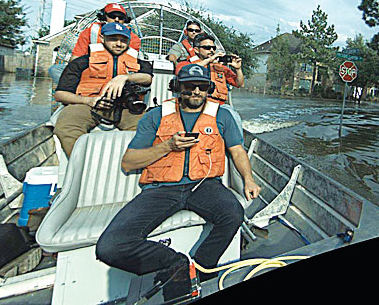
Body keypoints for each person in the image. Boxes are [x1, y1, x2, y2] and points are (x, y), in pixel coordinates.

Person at [95, 64, 260, 300]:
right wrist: (168, 146)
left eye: (201, 86)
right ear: (177, 87)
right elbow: (129, 162)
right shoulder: (155, 116)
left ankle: (202, 269)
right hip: (160, 189)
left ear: (209, 89)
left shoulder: (223, 115)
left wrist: (249, 180)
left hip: (205, 186)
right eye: (188, 86)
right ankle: (177, 265)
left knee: (233, 214)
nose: (195, 91)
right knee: (110, 247)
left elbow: (237, 151)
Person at [53, 22, 153, 156]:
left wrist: (124, 78)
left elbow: (147, 78)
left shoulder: (139, 63)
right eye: (113, 39)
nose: (119, 43)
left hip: (125, 108)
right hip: (89, 105)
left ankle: (127, 164)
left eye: (123, 40)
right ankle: (83, 165)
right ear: (102, 38)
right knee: (67, 127)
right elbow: (60, 94)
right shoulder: (82, 62)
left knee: (148, 130)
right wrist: (88, 101)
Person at [48, 3, 142, 84]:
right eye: (112, 16)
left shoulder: (133, 38)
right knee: (55, 69)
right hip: (91, 70)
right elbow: (75, 60)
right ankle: (76, 94)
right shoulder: (89, 32)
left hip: (117, 72)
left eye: (121, 17)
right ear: (104, 16)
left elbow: (130, 65)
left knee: (143, 77)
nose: (116, 19)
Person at [174, 33, 245, 133]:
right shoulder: (185, 64)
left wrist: (238, 69)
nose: (211, 50)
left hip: (219, 106)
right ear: (196, 50)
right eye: (207, 47)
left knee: (233, 115)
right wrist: (209, 60)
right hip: (194, 105)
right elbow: (184, 71)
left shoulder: (220, 68)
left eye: (213, 47)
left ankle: (237, 146)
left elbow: (239, 84)